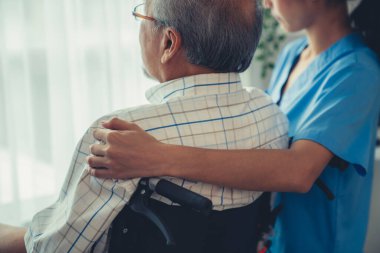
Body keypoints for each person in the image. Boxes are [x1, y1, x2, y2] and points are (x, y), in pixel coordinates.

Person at [88, 0, 380, 252]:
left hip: (315, 243)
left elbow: (299, 171)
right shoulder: (293, 55)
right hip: (269, 237)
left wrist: (156, 156)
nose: (265, 4)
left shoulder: (357, 71)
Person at [0, 0, 289, 252]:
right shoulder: (271, 115)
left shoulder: (122, 136)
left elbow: (51, 247)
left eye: (143, 17)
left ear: (168, 43)